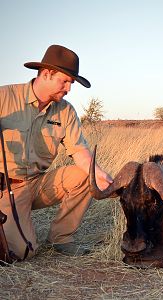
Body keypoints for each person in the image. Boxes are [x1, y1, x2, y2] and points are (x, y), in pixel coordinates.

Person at [0, 44, 113, 258]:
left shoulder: (65, 110)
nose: (69, 89)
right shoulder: (4, 97)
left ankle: (60, 238)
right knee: (21, 252)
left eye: (71, 83)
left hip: (36, 183)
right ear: (46, 74)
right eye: (65, 81)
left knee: (85, 176)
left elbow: (79, 151)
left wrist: (100, 175)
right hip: (5, 188)